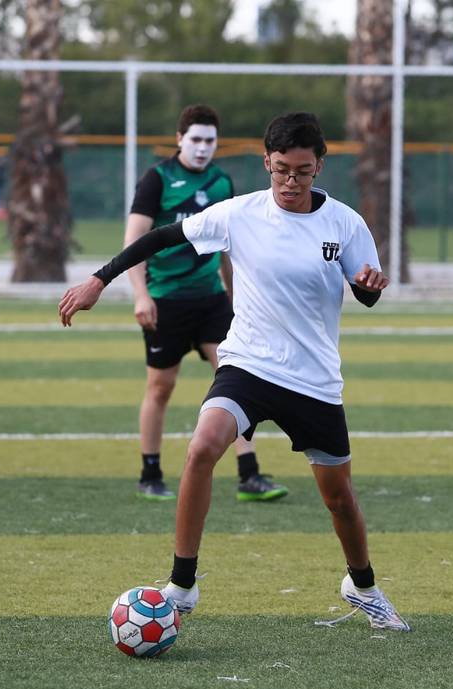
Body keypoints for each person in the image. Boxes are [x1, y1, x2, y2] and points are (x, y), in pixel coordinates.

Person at [59, 112, 410, 631]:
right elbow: (160, 238)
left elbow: (364, 292)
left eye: (304, 172)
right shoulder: (238, 214)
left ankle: (362, 586)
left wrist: (369, 285)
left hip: (313, 379)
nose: (291, 182)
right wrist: (99, 279)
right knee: (203, 446)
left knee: (339, 500)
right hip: (247, 363)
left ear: (320, 168)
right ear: (266, 162)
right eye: (282, 170)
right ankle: (181, 584)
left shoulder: (345, 222)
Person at [123, 104, 283, 503]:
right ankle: (150, 472)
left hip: (211, 301)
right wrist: (141, 295)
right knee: (160, 388)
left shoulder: (220, 182)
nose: (202, 148)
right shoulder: (156, 179)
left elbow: (230, 247)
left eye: (209, 141)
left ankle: (249, 474)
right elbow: (134, 242)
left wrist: (235, 297)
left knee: (238, 380)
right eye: (194, 139)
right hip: (165, 302)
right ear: (179, 139)